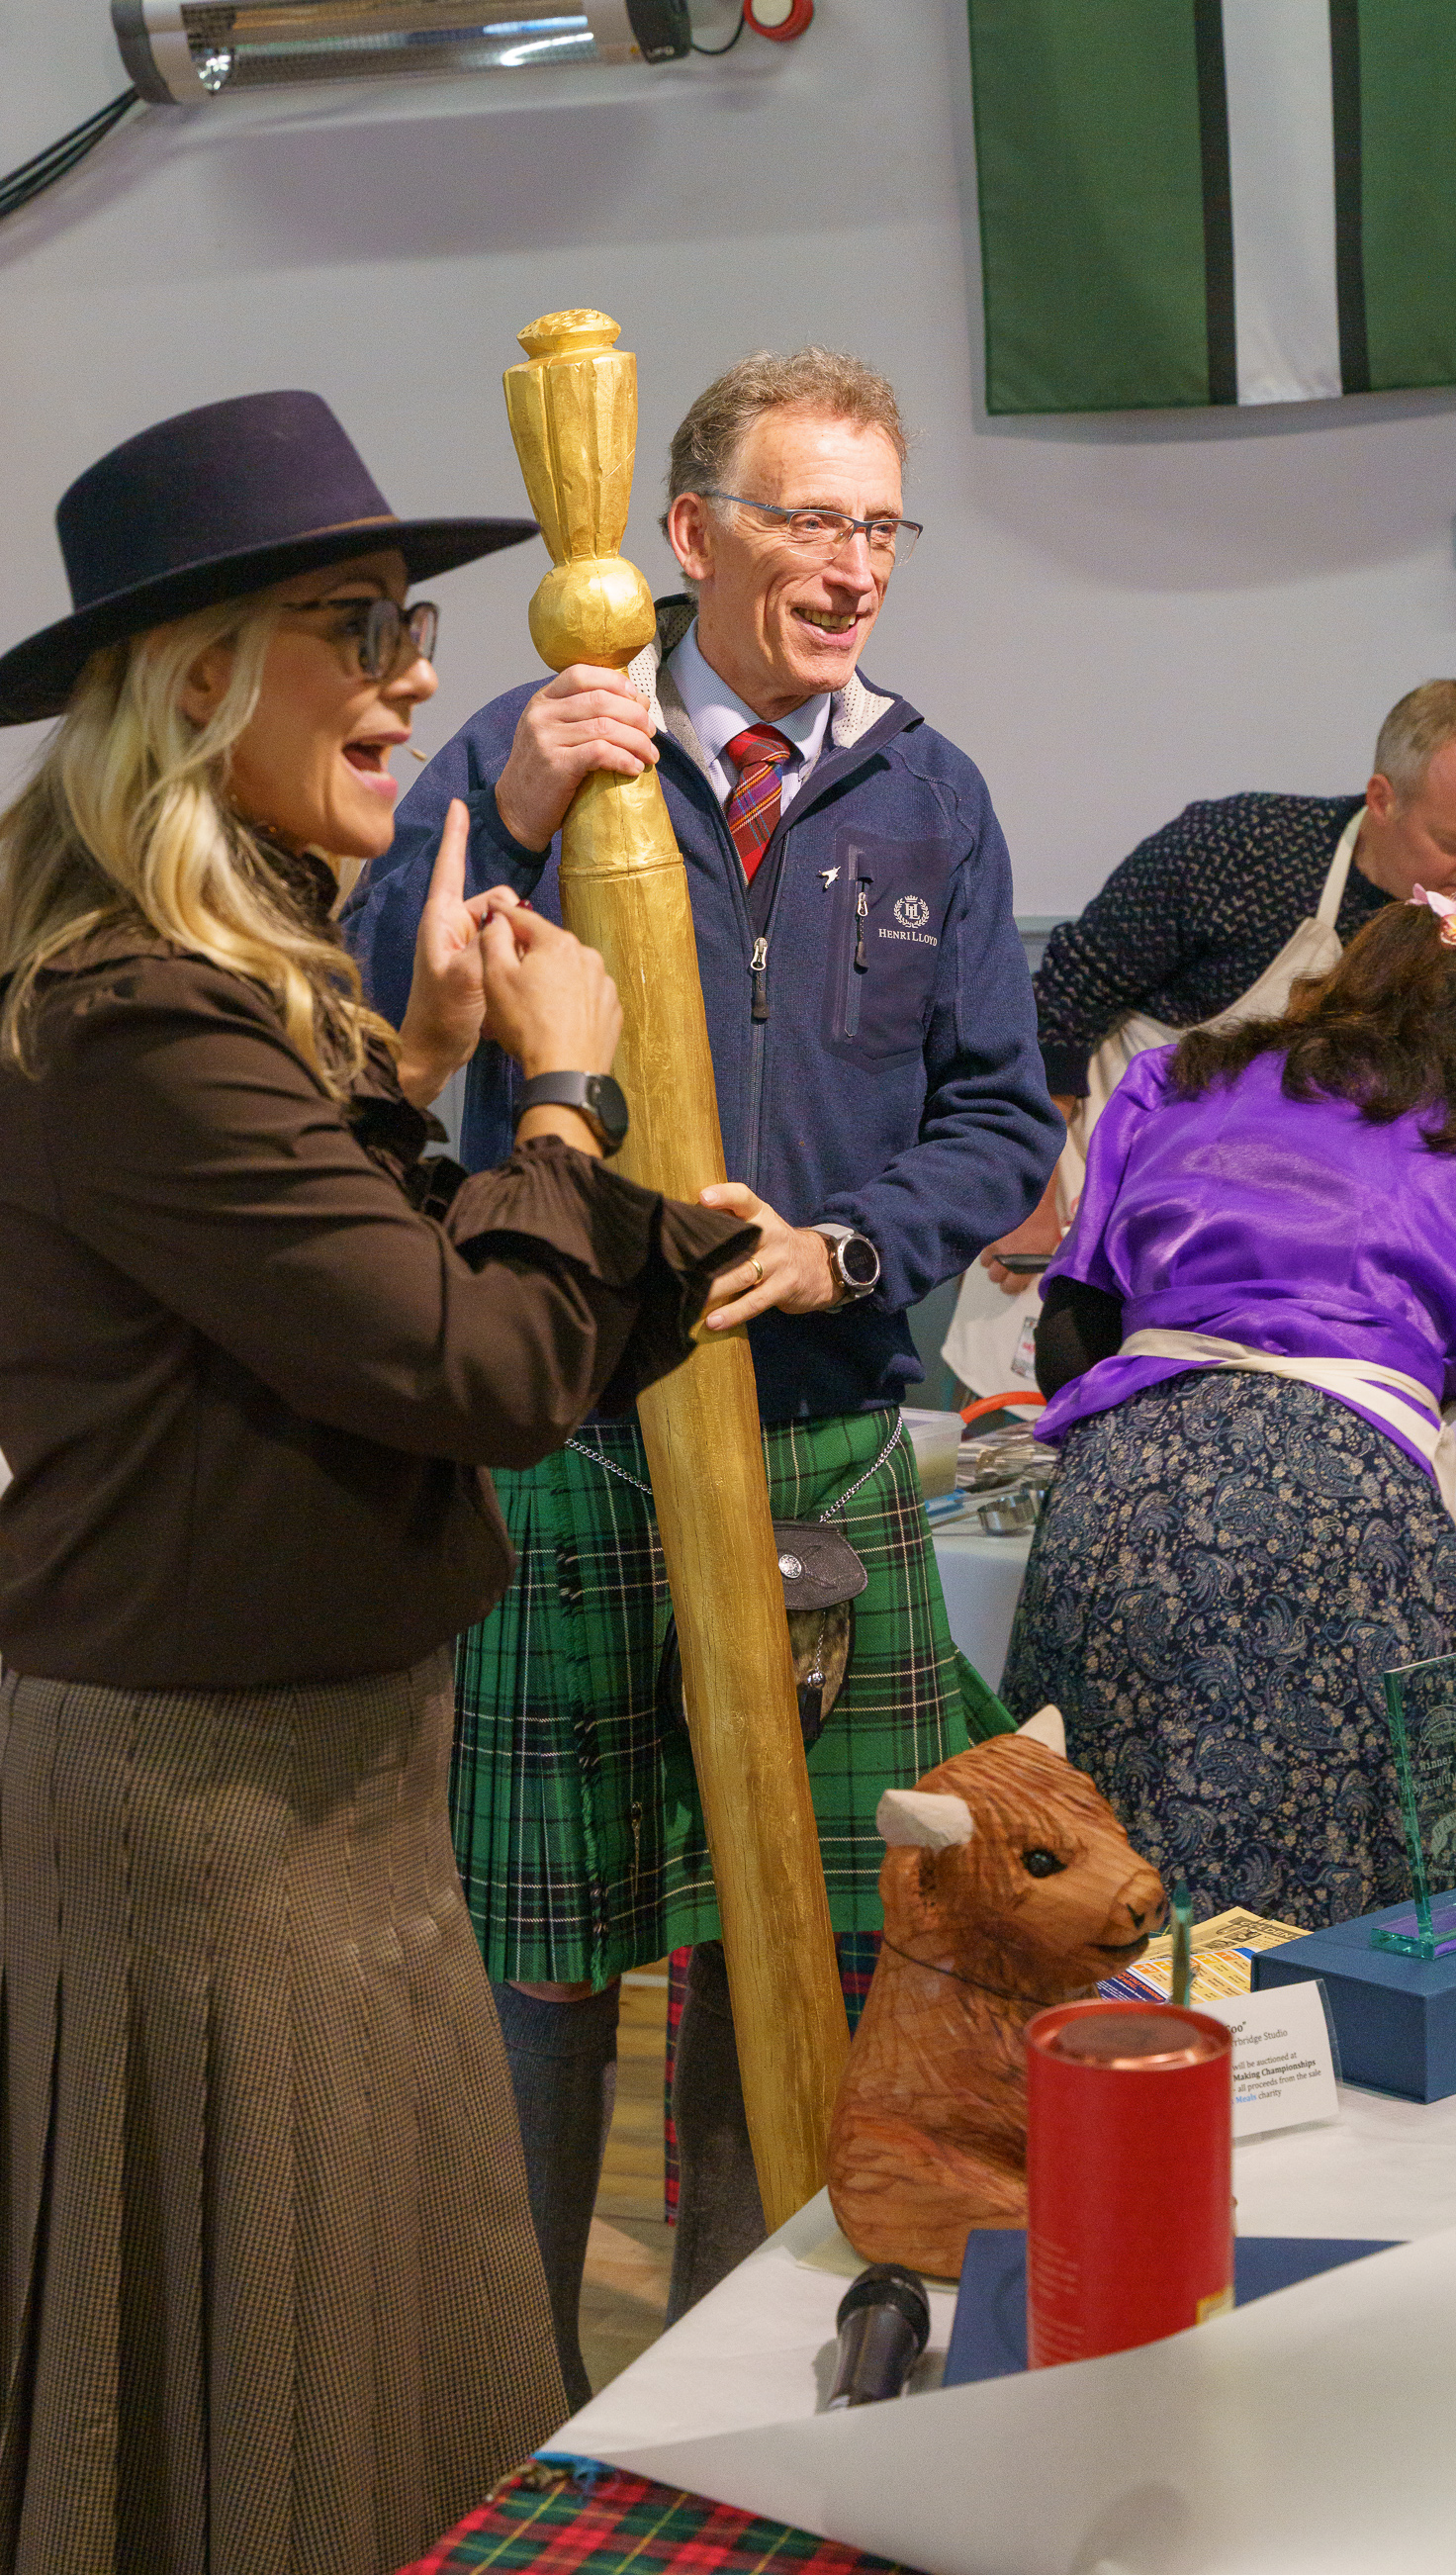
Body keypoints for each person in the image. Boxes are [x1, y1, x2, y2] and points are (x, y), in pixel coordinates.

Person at [0, 391, 752, 2575]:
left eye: (412, 623)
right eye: (352, 626)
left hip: (326, 1799)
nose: (410, 675)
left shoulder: (215, 1003)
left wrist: (424, 1076)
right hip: (208, 1824)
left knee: (383, 2380)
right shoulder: (140, 1020)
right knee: (257, 2409)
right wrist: (562, 1105)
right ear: (195, 681)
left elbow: (317, 1313)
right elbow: (465, 1367)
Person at [346, 346, 1061, 2391]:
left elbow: (1002, 1120)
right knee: (546, 1967)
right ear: (689, 536)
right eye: (809, 519)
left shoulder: (932, 793)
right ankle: (504, 2394)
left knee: (804, 1943)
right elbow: (378, 1008)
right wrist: (502, 813)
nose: (853, 568)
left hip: (824, 1429)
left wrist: (850, 1245)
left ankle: (745, 2384)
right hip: (567, 1434)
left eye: (878, 525)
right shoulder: (525, 745)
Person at [1001, 893, 1456, 1931]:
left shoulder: (1179, 1077)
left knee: (1095, 1832)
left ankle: (1089, 2078)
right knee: (1333, 1840)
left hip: (1127, 1485)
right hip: (1345, 1502)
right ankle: (1296, 2079)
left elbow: (1070, 1329)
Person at [947, 679, 1456, 1396]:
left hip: (1327, 1275)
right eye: (1449, 843)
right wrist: (1025, 1201)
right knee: (1056, 1406)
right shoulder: (1240, 852)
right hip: (1112, 1194)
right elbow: (1062, 1003)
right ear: (1381, 797)